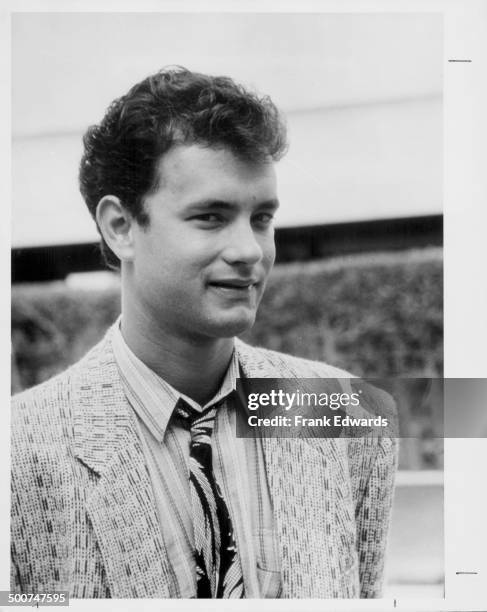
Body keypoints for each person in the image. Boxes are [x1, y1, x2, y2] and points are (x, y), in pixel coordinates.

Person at [11, 67, 397, 599]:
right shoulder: (19, 449)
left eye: (262, 218)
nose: (250, 251)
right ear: (120, 227)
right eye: (211, 217)